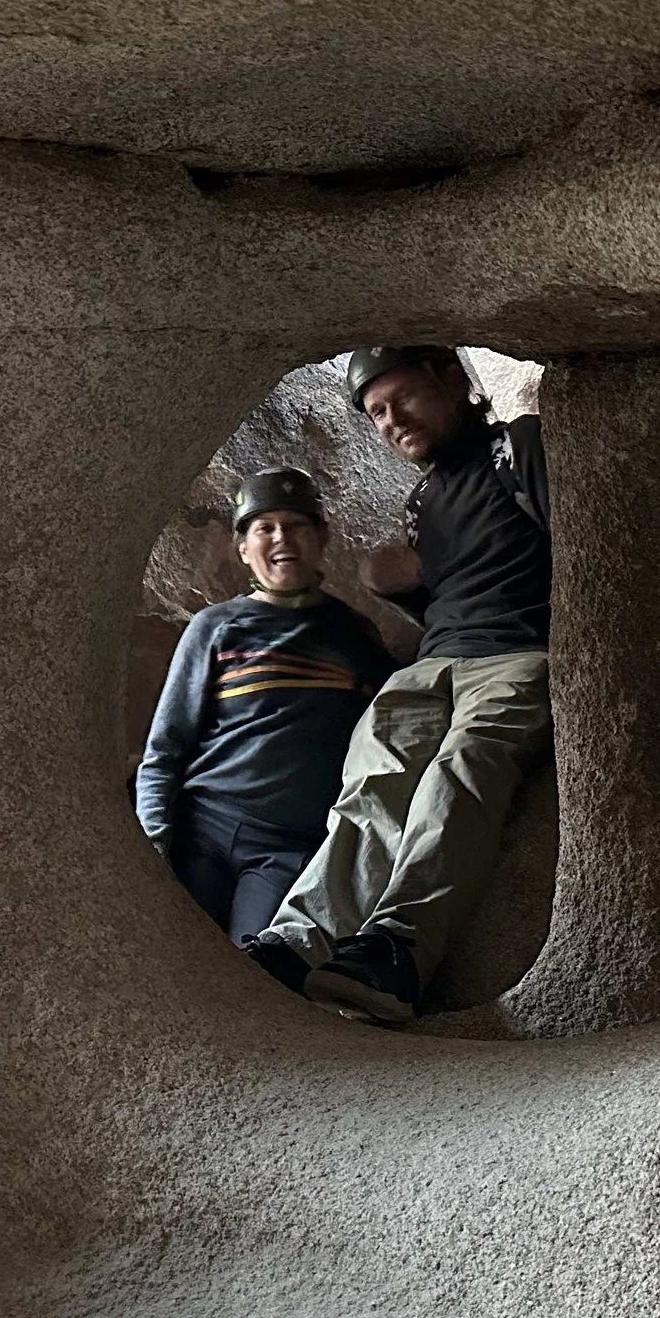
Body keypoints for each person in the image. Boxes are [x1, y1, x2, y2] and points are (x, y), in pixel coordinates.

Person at [247, 346, 552, 1025]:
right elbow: (439, 592)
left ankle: (396, 949)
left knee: (464, 766)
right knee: (374, 784)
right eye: (376, 412)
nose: (390, 420)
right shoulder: (422, 501)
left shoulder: (520, 447)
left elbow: (582, 548)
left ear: (452, 380)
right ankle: (298, 941)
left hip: (517, 653)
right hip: (429, 665)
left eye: (402, 397)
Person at [136, 468, 397, 946]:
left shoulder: (354, 636)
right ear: (244, 549)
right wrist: (152, 841)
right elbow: (165, 746)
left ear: (321, 538)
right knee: (175, 954)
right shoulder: (214, 627)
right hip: (202, 830)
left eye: (298, 525)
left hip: (288, 847)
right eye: (265, 528)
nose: (283, 538)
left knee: (254, 972)